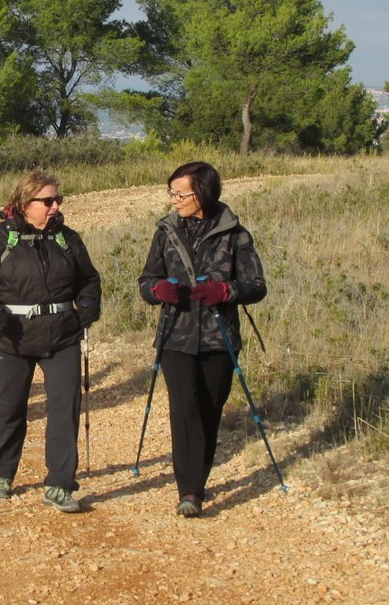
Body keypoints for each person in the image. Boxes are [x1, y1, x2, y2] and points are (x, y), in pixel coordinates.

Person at [0, 170, 101, 513]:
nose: (55, 206)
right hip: (12, 335)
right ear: (25, 204)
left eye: (58, 200)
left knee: (64, 408)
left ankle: (59, 483)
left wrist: (88, 304)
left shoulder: (68, 239)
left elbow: (88, 279)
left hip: (62, 334)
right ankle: (3, 472)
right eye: (48, 201)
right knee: (9, 407)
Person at [137, 161, 267, 517]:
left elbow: (256, 286)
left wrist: (226, 290)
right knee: (184, 410)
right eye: (172, 193)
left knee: (210, 410)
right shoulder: (165, 231)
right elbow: (146, 281)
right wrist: (158, 290)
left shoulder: (235, 233)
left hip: (218, 338)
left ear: (203, 193)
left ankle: (199, 479)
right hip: (175, 337)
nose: (174, 200)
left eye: (181, 194)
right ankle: (190, 491)